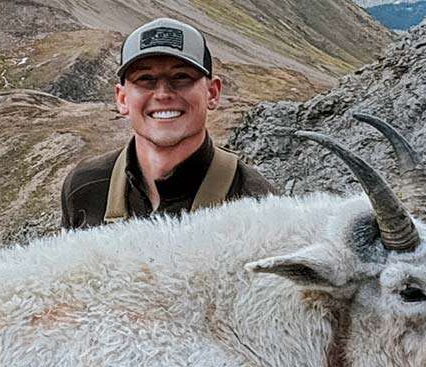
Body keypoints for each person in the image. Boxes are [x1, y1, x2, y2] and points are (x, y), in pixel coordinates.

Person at [59, 17, 275, 230]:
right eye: (145, 78)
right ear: (122, 99)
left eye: (181, 76)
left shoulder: (256, 199)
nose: (163, 94)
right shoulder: (83, 186)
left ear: (212, 93)